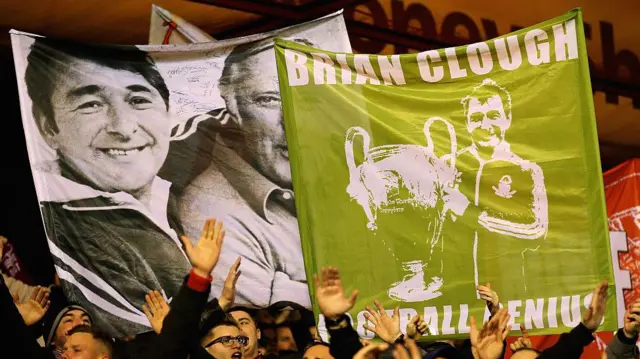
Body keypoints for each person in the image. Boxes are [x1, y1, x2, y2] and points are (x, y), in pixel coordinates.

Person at [23, 36, 191, 335]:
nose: (124, 128)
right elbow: (150, 340)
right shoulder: (66, 233)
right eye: (91, 104)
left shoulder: (186, 194)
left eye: (138, 100)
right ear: (48, 125)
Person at [179, 38, 315, 309]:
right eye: (269, 100)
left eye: (307, 99)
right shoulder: (211, 210)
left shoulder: (352, 178)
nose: (292, 122)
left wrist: (286, 287)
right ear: (234, 107)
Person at [456, 78, 548, 299]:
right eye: (476, 118)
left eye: (493, 116)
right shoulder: (448, 167)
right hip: (455, 299)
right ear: (467, 124)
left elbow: (536, 230)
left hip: (508, 294)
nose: (485, 125)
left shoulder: (527, 170)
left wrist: (475, 217)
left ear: (507, 119)